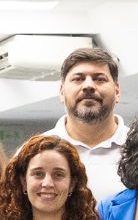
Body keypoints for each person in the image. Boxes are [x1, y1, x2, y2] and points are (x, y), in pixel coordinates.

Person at [45, 46, 128, 197]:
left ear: (117, 91)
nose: (88, 86)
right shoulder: (35, 151)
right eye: (78, 79)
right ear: (62, 92)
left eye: (99, 79)